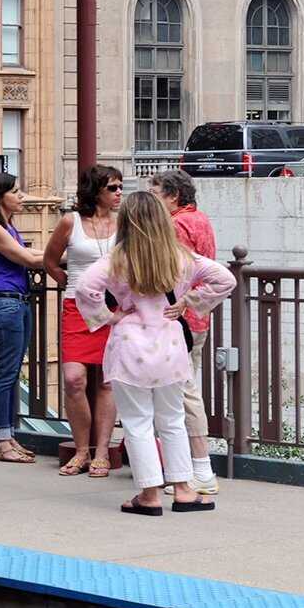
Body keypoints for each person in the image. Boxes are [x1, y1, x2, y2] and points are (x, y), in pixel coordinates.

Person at [72, 192, 236, 515]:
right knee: (172, 419)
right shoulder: (180, 257)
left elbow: (84, 287)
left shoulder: (117, 259)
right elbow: (225, 279)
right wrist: (189, 301)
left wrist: (108, 317)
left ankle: (149, 494)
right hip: (170, 344)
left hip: (131, 344)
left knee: (137, 422)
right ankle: (184, 490)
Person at [43, 165, 123, 478]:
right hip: (77, 305)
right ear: (96, 192)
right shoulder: (70, 222)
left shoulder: (123, 224)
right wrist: (67, 280)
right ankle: (81, 450)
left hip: (111, 306)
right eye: (112, 188)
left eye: (119, 188)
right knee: (74, 378)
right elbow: (50, 260)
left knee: (106, 380)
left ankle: (101, 450)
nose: (118, 194)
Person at [154, 168, 219, 495]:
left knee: (184, 392)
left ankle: (198, 467)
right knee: (186, 388)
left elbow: (174, 273)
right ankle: (190, 467)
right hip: (198, 317)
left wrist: (182, 300)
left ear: (173, 196)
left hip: (179, 317)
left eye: (157, 194)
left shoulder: (176, 225)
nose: (153, 201)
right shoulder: (201, 220)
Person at [0, 172, 41, 463]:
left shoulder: (8, 227)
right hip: (4, 304)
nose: (21, 195)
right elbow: (27, 259)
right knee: (5, 374)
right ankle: (2, 439)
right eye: (16, 191)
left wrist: (60, 252)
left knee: (12, 372)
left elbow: (32, 252)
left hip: (17, 303)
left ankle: (9, 435)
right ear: (0, 196)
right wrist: (69, 255)